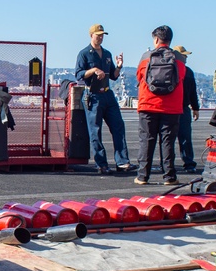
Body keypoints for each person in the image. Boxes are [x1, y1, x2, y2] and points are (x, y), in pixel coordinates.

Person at [74, 24, 136, 174]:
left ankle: (122, 162)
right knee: (95, 131)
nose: (101, 37)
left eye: (102, 35)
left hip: (107, 94)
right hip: (93, 95)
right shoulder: (84, 54)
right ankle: (101, 164)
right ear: (91, 35)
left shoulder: (107, 54)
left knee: (118, 126)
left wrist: (119, 67)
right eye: (98, 35)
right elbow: (78, 74)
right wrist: (93, 70)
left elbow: (113, 76)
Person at [134, 26, 185, 186]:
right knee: (168, 141)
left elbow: (139, 76)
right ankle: (169, 176)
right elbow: (181, 76)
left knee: (147, 140)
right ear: (170, 40)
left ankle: (143, 176)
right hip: (171, 107)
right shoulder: (179, 59)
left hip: (148, 105)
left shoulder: (146, 57)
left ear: (156, 39)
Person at [157, 44, 199, 174]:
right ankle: (178, 163)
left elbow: (193, 92)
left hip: (179, 108)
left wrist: (195, 107)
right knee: (172, 138)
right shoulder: (179, 70)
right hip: (173, 108)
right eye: (184, 55)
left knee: (178, 137)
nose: (186, 58)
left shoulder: (187, 71)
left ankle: (184, 162)